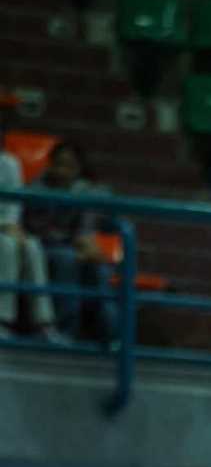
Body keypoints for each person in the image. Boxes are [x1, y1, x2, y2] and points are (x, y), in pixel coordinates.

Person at [23, 142, 117, 344]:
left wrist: (85, 247)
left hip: (76, 248)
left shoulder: (87, 190)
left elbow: (87, 231)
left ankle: (111, 335)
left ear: (79, 168)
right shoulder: (37, 188)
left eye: (69, 166)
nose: (62, 171)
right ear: (50, 164)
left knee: (99, 269)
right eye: (59, 164)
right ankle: (65, 330)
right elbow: (36, 229)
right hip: (42, 247)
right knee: (67, 259)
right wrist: (79, 246)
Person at [0, 125, 60, 342]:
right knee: (7, 246)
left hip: (7, 227)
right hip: (2, 229)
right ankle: (3, 320)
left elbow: (15, 202)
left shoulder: (9, 163)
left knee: (32, 245)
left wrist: (10, 225)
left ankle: (43, 322)